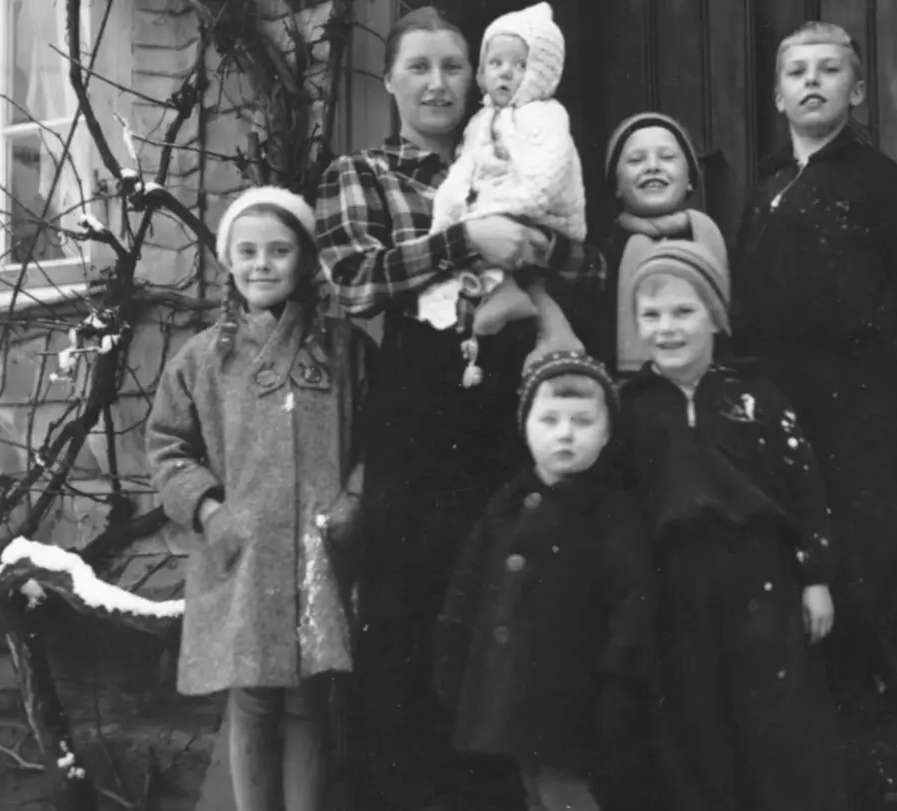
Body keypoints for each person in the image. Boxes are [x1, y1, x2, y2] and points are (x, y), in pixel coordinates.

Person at [315, 8, 602, 810]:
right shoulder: (362, 173)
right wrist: (470, 238)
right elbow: (351, 279)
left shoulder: (521, 146)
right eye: (420, 67)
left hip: (510, 406)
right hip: (418, 412)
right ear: (391, 82)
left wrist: (531, 247)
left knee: (509, 619)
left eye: (453, 65)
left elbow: (593, 259)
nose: (440, 82)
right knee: (412, 618)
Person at [729, 21, 897, 806]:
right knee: (787, 574)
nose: (812, 81)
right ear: (779, 90)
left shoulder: (879, 181)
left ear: (856, 91)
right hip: (777, 405)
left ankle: (869, 759)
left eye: (830, 70)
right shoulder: (764, 185)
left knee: (855, 577)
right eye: (798, 70)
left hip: (856, 408)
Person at [146, 186, 369, 811]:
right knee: (253, 699)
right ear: (229, 262)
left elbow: (382, 439)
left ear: (303, 262)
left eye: (278, 250)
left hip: (320, 545)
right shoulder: (201, 360)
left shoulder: (344, 350)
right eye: (247, 251)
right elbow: (166, 446)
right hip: (244, 552)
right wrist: (210, 510)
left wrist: (355, 498)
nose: (262, 264)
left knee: (308, 700)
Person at [618, 240, 846, 811]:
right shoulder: (631, 407)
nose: (666, 329)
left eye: (683, 312)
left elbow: (804, 487)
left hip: (759, 576)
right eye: (651, 315)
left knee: (776, 714)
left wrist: (814, 577)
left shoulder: (757, 398)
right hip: (675, 581)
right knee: (693, 714)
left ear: (715, 317)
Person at [433, 351, 653, 811]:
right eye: (549, 419)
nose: (565, 434)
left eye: (582, 421)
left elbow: (632, 605)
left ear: (608, 432)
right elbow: (467, 582)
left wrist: (618, 686)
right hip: (507, 686)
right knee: (532, 787)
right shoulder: (507, 502)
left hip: (570, 695)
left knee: (564, 790)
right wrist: (452, 651)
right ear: (525, 425)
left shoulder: (612, 513)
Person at [421, 2, 588, 385]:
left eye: (519, 65)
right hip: (503, 207)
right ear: (482, 72)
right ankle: (516, 300)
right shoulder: (482, 120)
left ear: (539, 74)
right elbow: (464, 171)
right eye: (496, 63)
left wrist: (503, 205)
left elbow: (549, 167)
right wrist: (446, 219)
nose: (505, 73)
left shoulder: (545, 114)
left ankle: (513, 296)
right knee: (479, 242)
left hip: (540, 206)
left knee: (497, 239)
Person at [583, 112, 727, 375]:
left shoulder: (709, 240)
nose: (652, 166)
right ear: (616, 184)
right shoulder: (605, 251)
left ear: (690, 179)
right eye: (636, 160)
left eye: (667, 157)